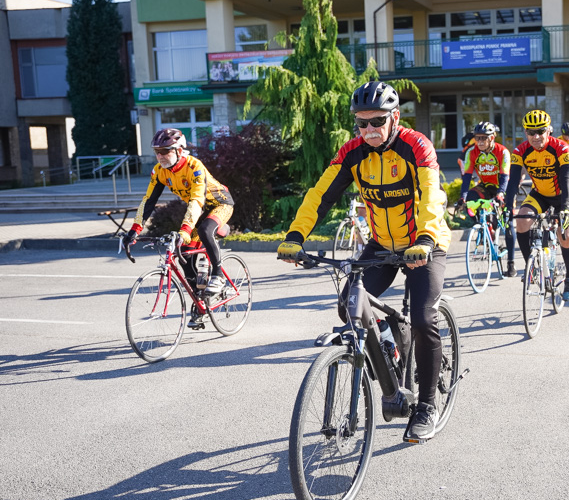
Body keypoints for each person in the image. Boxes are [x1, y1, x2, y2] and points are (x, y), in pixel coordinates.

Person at [277, 81, 451, 443]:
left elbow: (431, 195)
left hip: (425, 243)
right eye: (362, 123)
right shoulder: (352, 152)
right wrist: (296, 235)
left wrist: (425, 237)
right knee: (349, 306)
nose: (369, 129)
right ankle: (390, 339)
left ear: (394, 118)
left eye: (377, 121)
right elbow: (321, 195)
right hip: (382, 243)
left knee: (423, 317)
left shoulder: (415, 145)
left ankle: (427, 405)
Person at [123, 129, 234, 328]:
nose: (160, 156)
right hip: (198, 210)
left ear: (180, 150)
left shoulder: (194, 166)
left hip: (219, 204)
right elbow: (148, 201)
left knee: (205, 230)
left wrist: (185, 229)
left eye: (165, 151)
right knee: (183, 253)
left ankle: (218, 276)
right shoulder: (159, 171)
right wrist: (134, 230)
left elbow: (196, 200)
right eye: (157, 151)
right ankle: (200, 302)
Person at [504, 110, 569, 301]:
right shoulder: (520, 151)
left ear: (549, 130)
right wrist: (507, 207)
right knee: (521, 221)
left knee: (566, 238)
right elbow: (512, 182)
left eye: (540, 131)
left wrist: (564, 210)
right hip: (541, 194)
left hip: (566, 193)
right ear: (526, 132)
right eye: (531, 132)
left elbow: (566, 179)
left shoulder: (562, 148)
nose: (536, 136)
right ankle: (532, 267)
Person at [457, 121, 516, 277]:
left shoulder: (502, 152)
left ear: (492, 137)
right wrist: (462, 197)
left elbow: (505, 177)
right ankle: (484, 227)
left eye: (484, 138)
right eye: (477, 138)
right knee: (470, 197)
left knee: (508, 223)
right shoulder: (472, 152)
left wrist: (501, 194)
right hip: (486, 186)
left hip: (503, 188)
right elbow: (467, 176)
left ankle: (511, 262)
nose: (480, 141)